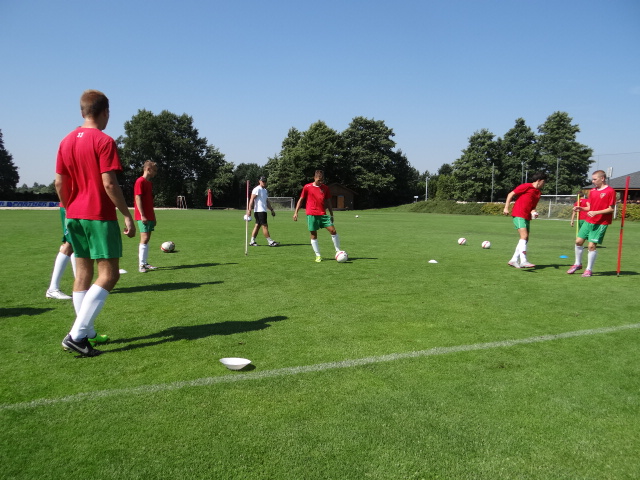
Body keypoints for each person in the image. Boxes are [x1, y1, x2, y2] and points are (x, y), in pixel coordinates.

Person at [55, 89, 136, 357]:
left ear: (82, 112)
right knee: (109, 274)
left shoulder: (66, 141)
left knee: (82, 275)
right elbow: (109, 183)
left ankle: (86, 332)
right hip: (98, 215)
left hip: (73, 215)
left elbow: (59, 183)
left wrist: (69, 208)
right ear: (105, 112)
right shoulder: (104, 141)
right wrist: (126, 213)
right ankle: (77, 335)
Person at [567, 170, 616, 277]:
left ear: (602, 178)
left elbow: (611, 209)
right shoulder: (592, 191)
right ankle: (577, 264)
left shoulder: (610, 191)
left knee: (591, 246)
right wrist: (581, 208)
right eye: (592, 179)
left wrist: (596, 212)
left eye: (594, 179)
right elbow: (590, 207)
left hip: (601, 223)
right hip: (588, 221)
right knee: (578, 242)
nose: (592, 181)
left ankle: (588, 270)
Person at [293, 170, 341, 262]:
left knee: (333, 231)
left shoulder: (325, 188)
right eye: (319, 180)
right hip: (312, 214)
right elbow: (301, 199)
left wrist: (331, 214)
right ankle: (318, 255)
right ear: (314, 178)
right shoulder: (307, 187)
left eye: (322, 180)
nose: (321, 182)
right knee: (313, 234)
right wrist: (296, 212)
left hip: (323, 214)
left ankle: (338, 251)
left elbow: (328, 201)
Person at [503, 172, 548, 268]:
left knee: (525, 239)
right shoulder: (526, 186)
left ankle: (513, 260)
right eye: (544, 182)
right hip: (518, 214)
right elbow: (511, 194)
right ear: (539, 181)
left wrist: (534, 212)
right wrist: (506, 207)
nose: (544, 184)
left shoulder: (538, 193)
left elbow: (533, 207)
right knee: (524, 236)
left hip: (526, 216)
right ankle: (523, 261)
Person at [45, 203, 77, 300]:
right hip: (70, 206)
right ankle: (53, 289)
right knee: (69, 244)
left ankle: (80, 282)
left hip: (76, 206)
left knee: (75, 244)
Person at [134, 160, 159, 272]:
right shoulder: (140, 181)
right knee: (144, 238)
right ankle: (141, 265)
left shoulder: (149, 183)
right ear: (148, 169)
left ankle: (144, 263)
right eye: (154, 170)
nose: (155, 173)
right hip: (143, 215)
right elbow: (137, 198)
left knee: (147, 238)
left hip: (149, 215)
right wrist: (142, 215)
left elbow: (149, 202)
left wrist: (153, 216)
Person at [247, 176, 279, 247]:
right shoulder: (257, 189)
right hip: (259, 211)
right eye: (263, 181)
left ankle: (252, 241)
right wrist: (249, 210)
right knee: (265, 226)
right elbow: (251, 200)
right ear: (259, 181)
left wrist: (271, 209)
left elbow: (266, 201)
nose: (264, 182)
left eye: (265, 181)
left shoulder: (265, 190)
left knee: (257, 226)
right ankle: (270, 241)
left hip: (263, 211)